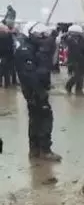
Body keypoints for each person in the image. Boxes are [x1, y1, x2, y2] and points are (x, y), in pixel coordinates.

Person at [1, 22, 61, 161]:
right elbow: (31, 74)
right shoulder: (26, 50)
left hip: (32, 90)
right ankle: (45, 150)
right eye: (40, 35)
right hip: (34, 90)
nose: (42, 37)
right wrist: (40, 92)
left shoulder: (31, 47)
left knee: (34, 119)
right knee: (45, 117)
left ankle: (34, 150)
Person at [64, 24, 84, 94]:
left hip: (80, 61)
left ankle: (79, 91)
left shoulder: (80, 40)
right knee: (77, 76)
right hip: (73, 61)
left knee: (80, 77)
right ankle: (68, 87)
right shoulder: (69, 40)